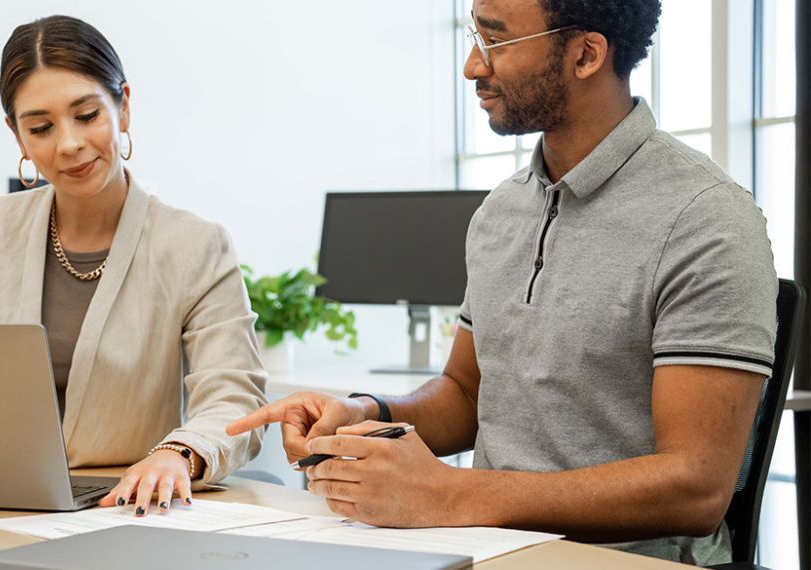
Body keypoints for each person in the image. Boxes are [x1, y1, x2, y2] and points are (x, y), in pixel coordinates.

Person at [227, 0, 777, 564]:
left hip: (630, 559)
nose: (471, 65)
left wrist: (451, 495)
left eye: (495, 40)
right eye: (474, 36)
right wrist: (366, 412)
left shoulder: (706, 218)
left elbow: (697, 486)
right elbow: (467, 396)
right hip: (489, 548)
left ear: (585, 54)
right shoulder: (501, 210)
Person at [0, 15, 267, 517]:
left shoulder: (195, 245)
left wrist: (179, 454)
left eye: (87, 115)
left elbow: (234, 395)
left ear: (123, 107)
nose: (68, 144)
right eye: (41, 127)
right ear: (18, 136)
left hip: (128, 504)